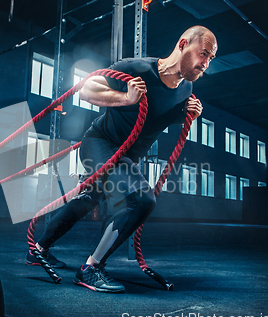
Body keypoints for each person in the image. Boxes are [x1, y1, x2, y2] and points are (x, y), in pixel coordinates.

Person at [26, 25, 218, 293]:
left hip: (127, 157)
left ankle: (38, 249)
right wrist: (125, 98)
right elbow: (87, 90)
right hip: (100, 144)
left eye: (211, 59)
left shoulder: (186, 90)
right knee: (141, 198)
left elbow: (160, 117)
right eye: (204, 54)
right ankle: (90, 269)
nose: (206, 64)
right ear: (184, 44)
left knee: (87, 200)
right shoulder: (137, 68)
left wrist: (188, 115)